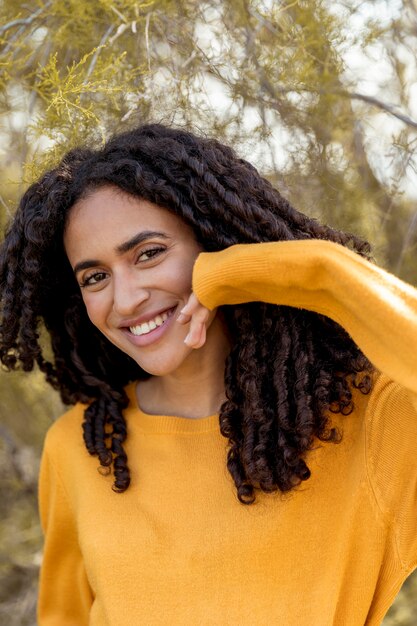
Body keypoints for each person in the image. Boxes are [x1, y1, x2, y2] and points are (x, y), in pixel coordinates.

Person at [0, 123, 416, 625]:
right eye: (95, 277)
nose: (126, 298)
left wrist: (318, 271)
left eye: (149, 253)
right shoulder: (79, 446)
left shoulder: (373, 424)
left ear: (216, 242)